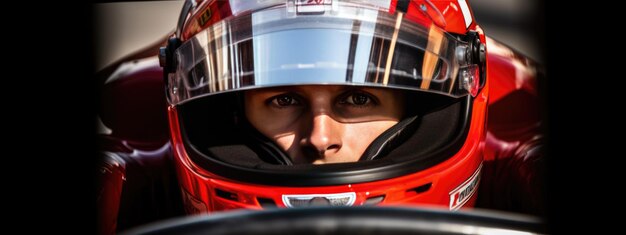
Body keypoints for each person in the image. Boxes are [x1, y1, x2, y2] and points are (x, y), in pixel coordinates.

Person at [97, 0, 546, 233]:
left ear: (426, 111)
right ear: (228, 115)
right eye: (283, 100)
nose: (319, 137)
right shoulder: (130, 176)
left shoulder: (516, 163)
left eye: (356, 98)